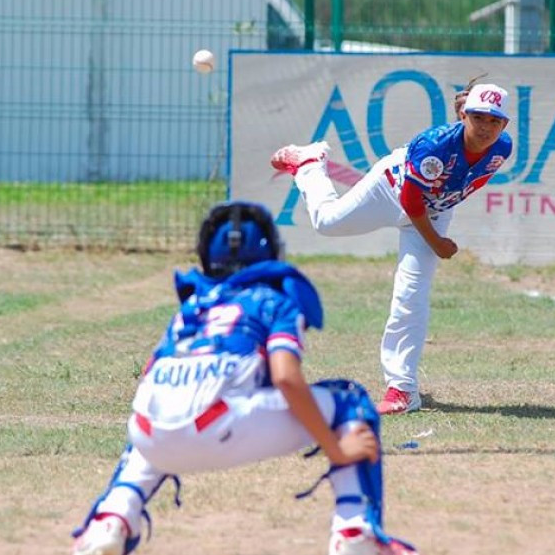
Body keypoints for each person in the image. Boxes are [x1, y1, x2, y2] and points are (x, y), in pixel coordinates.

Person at [70, 201, 418, 555]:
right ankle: (355, 531)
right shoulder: (271, 300)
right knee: (350, 401)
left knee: (160, 418)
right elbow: (285, 377)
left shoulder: (192, 307)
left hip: (148, 432)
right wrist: (334, 447)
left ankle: (111, 518)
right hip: (219, 424)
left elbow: (150, 374)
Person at [269, 78, 512, 415]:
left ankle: (403, 390)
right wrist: (438, 242)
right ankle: (310, 163)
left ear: (505, 124)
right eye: (478, 117)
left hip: (435, 211)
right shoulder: (436, 146)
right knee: (327, 222)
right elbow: (412, 204)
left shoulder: (501, 149)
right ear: (463, 115)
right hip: (390, 190)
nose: (486, 127)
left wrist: (442, 215)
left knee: (411, 294)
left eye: (494, 120)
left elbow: (461, 185)